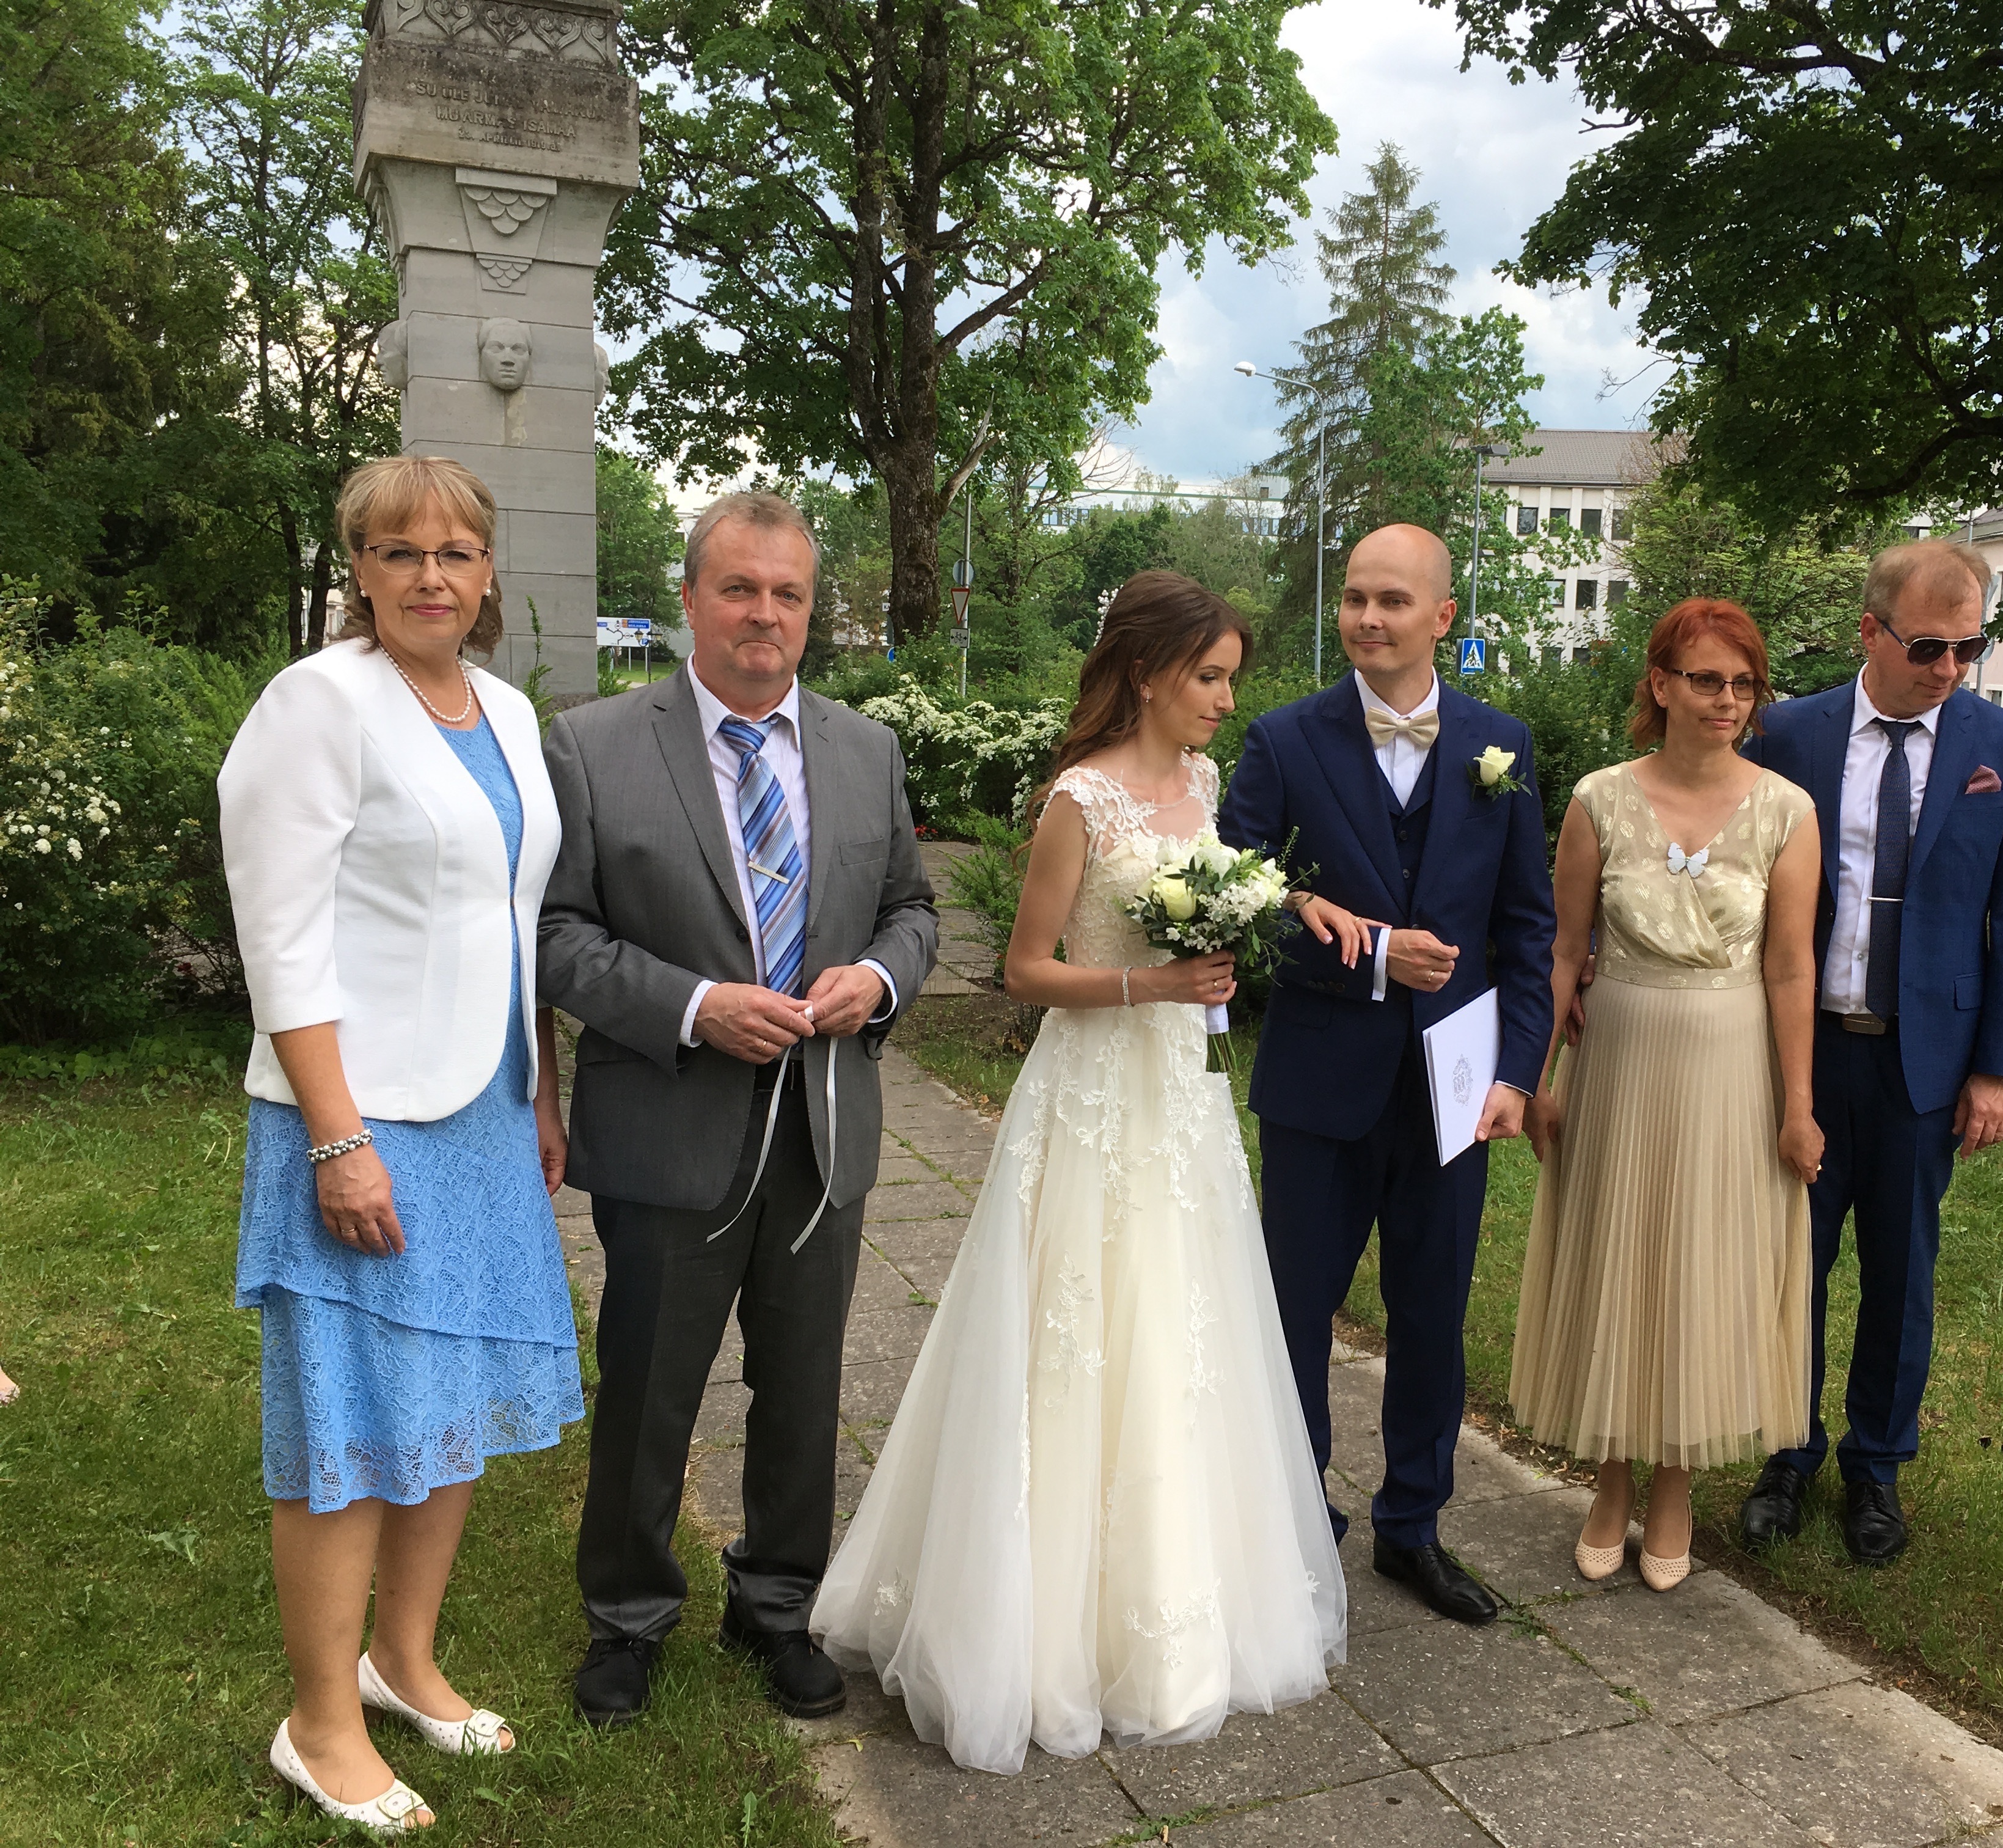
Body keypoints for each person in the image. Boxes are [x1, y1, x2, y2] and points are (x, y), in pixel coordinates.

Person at [811, 572, 1345, 1773]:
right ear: (1149, 672)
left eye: (1230, 679)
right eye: (1209, 676)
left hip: (1178, 1091)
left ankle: (1176, 1610)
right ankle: (1038, 1625)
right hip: (1094, 1086)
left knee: (1181, 1321)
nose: (1225, 700)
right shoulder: (1080, 798)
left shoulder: (1203, 780)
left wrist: (1266, 915)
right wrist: (1149, 982)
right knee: (1074, 1325)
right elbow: (1023, 968)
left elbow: (1216, 888)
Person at [219, 454, 583, 1834]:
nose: (432, 574)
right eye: (400, 551)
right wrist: (335, 1139)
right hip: (358, 1116)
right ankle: (318, 1723)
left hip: (481, 1108)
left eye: (456, 552)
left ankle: (402, 1659)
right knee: (355, 1421)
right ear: (360, 572)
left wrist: (535, 1085)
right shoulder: (318, 704)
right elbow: (280, 934)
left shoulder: (505, 708)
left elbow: (510, 916)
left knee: (450, 1401)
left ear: (488, 574)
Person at [536, 492, 937, 1728]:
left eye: (788, 593)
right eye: (740, 587)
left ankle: (776, 1604)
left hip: (824, 1128)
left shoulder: (866, 751)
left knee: (805, 1390)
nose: (765, 613)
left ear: (811, 611)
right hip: (671, 1128)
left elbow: (913, 910)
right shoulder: (591, 745)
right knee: (651, 1387)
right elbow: (552, 934)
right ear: (691, 598)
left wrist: (878, 981)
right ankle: (627, 1617)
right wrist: (694, 1004)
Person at [1218, 525, 1556, 1626]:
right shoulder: (1283, 739)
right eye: (1356, 597)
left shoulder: (1501, 745)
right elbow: (1233, 901)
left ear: (1442, 616)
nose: (1368, 617)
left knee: (1432, 1315)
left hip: (1453, 1091)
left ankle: (1413, 1525)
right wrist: (1363, 957)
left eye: (1393, 600)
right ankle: (1295, 1519)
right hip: (1320, 1085)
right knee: (1296, 1313)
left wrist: (1517, 1073)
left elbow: (1527, 926)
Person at [1735, 538, 2003, 1568]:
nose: (1949, 667)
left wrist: (1999, 1067)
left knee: (1900, 1268)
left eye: (1969, 647)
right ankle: (1786, 1451)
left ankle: (1876, 1464)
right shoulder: (1789, 733)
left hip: (1927, 1059)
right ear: (1870, 631)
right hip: (1803, 1048)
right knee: (1793, 1260)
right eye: (1927, 646)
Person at [1514, 600, 1821, 1592]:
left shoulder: (1786, 810)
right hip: (1616, 1062)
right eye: (1705, 679)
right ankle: (1610, 1481)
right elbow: (1563, 950)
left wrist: (1798, 1104)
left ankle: (1675, 1485)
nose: (1726, 699)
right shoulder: (1599, 799)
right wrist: (1536, 1079)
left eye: (1743, 683)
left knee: (1701, 1262)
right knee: (1621, 1255)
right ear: (1660, 683)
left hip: (1730, 1068)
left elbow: (1790, 966)